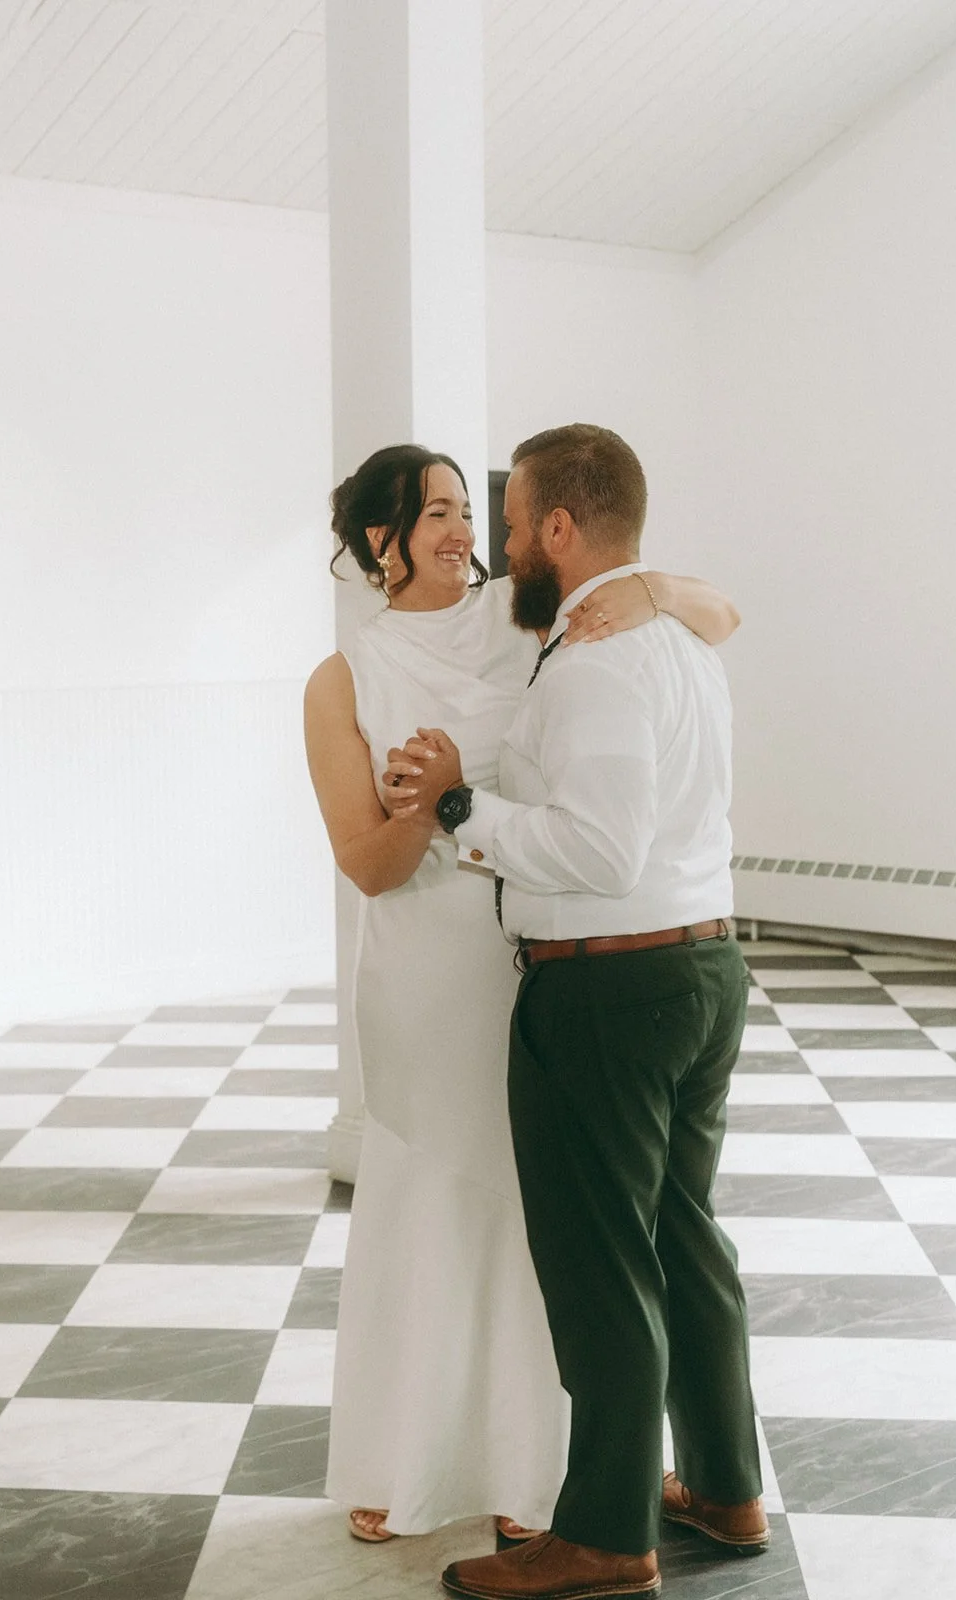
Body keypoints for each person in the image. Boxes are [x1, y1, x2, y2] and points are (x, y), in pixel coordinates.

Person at [303, 442, 741, 1546]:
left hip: (541, 955)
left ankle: (531, 1467)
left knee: (542, 1219)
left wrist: (647, 585)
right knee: (436, 1194)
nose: (465, 531)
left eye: (470, 509)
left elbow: (717, 616)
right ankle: (404, 1454)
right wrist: (425, 805)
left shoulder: (533, 619)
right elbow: (364, 861)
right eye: (439, 513)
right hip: (426, 972)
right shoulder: (341, 678)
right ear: (378, 542)